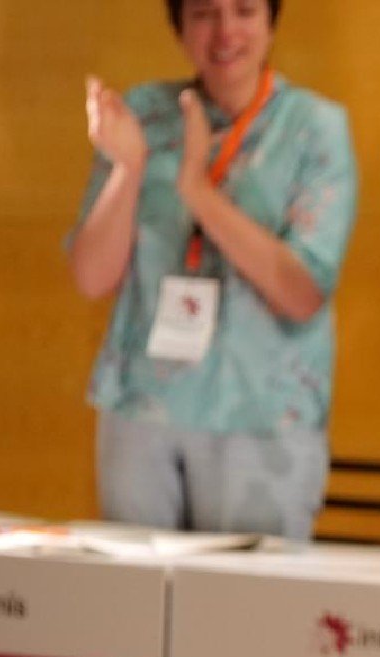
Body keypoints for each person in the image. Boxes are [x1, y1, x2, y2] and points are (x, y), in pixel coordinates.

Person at [67, 0, 358, 540]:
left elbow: (302, 291)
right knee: (135, 609)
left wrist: (198, 191)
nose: (226, 31)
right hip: (142, 408)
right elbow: (91, 277)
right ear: (179, 28)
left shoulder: (315, 128)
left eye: (245, 11)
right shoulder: (144, 116)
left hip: (263, 417)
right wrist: (128, 169)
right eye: (204, 14)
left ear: (271, 23)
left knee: (246, 615)